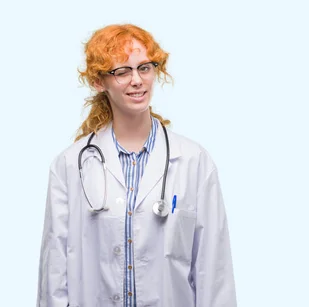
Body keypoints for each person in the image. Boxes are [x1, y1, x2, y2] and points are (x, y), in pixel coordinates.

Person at [37, 24, 237, 307]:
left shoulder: (194, 162)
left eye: (144, 67)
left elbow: (214, 271)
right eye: (122, 71)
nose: (137, 80)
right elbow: (54, 273)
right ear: (98, 82)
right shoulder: (70, 166)